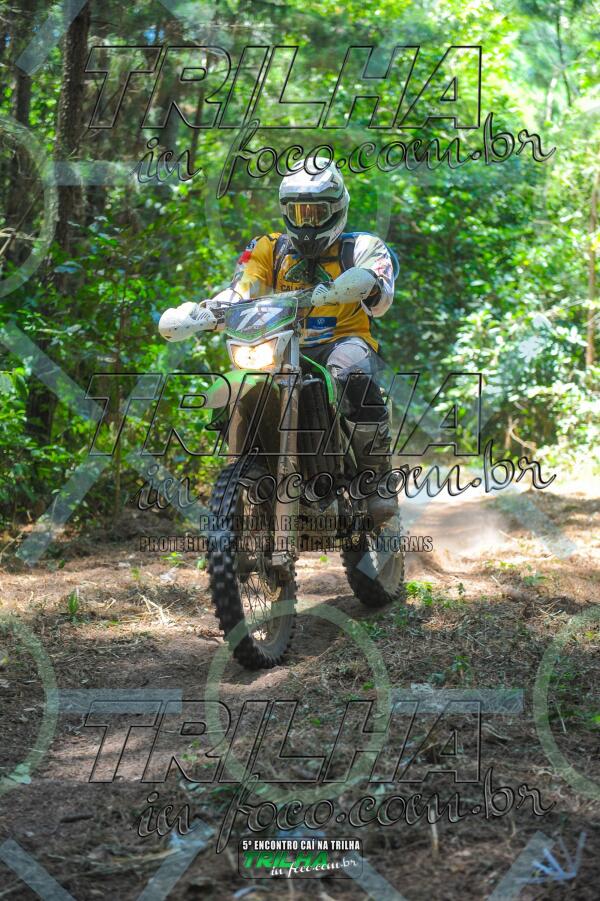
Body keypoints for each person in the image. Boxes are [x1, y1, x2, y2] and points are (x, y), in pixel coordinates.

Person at [159, 157, 398, 525]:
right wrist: (205, 312)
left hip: (340, 341)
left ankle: (376, 478)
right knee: (240, 383)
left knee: (353, 374)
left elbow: (378, 295)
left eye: (316, 213)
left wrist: (350, 286)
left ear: (337, 209)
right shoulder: (268, 247)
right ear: (286, 211)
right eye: (299, 213)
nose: (307, 222)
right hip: (278, 343)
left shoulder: (362, 246)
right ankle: (249, 470)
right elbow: (243, 288)